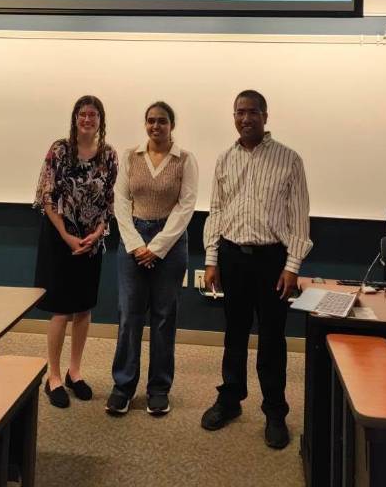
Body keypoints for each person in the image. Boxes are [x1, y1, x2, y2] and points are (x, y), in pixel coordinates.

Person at [201, 89, 312, 449]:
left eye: (251, 112)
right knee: (234, 334)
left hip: (272, 261)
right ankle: (230, 399)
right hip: (232, 256)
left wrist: (292, 266)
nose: (244, 118)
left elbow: (299, 218)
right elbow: (216, 210)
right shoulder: (224, 159)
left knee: (272, 338)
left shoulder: (289, 159)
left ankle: (275, 411)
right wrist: (212, 259)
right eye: (239, 112)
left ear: (265, 116)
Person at [106, 101, 198, 416]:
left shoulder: (185, 160)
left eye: (161, 121)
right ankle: (123, 387)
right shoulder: (131, 156)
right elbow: (121, 201)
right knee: (129, 315)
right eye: (150, 121)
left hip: (170, 244)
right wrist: (135, 246)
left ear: (172, 125)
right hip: (133, 241)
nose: (155, 126)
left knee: (163, 318)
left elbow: (186, 207)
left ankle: (158, 389)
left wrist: (156, 248)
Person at [34, 95, 118, 408]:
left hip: (91, 240)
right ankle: (53, 376)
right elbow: (46, 195)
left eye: (93, 115)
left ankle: (75, 371)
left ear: (100, 120)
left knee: (83, 308)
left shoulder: (109, 155)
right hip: (60, 237)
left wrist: (97, 233)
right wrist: (67, 236)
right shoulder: (60, 150)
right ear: (75, 118)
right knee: (61, 309)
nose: (87, 120)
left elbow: (110, 202)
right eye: (82, 114)